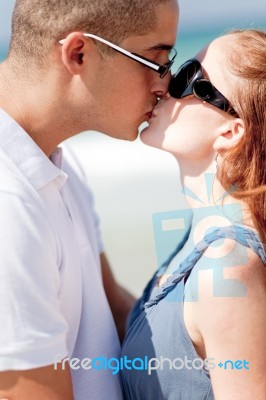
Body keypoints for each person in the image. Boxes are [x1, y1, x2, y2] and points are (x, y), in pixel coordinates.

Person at [0, 0, 179, 399]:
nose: (163, 84)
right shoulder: (9, 203)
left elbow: (112, 313)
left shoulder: (57, 162)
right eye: (156, 60)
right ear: (79, 53)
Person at [121, 29, 266, 399]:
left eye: (189, 76)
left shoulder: (229, 266)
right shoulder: (200, 237)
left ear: (231, 131)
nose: (164, 85)